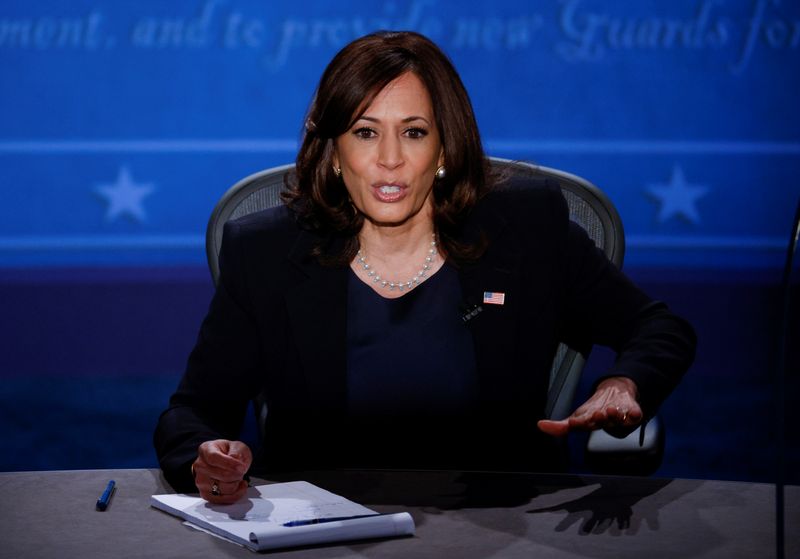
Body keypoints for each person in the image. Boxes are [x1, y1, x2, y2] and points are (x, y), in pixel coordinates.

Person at [154, 31, 696, 504]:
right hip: (324, 533)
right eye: (365, 132)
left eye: (413, 132)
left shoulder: (525, 229)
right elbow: (193, 413)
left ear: (443, 149)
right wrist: (206, 457)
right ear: (335, 152)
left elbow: (658, 327)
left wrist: (624, 382)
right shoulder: (267, 251)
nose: (390, 158)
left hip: (506, 525)